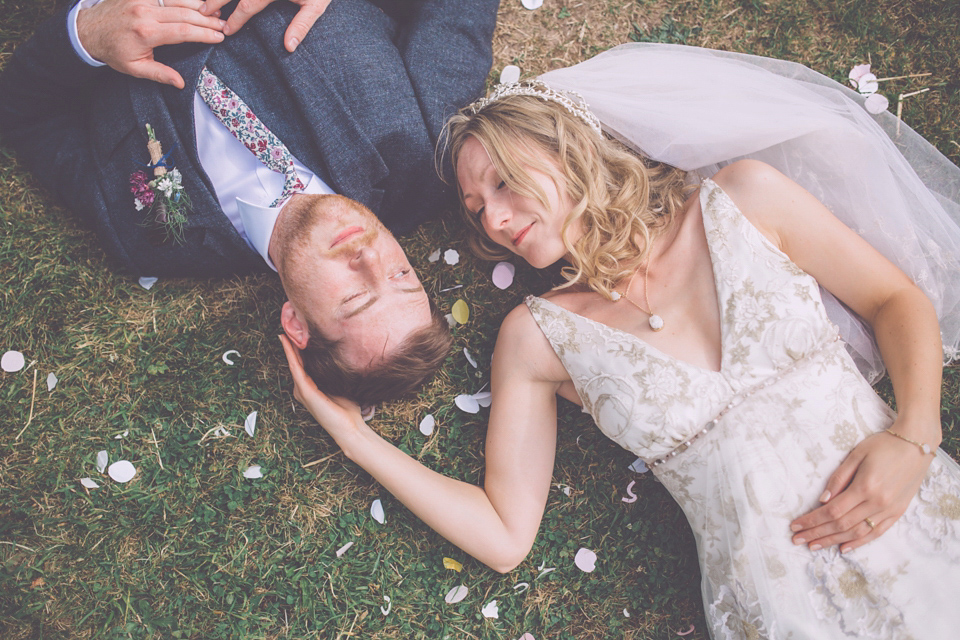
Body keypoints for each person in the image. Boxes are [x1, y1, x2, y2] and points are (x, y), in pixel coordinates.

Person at [281, 44, 960, 637]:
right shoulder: (537, 339)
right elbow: (503, 536)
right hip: (783, 606)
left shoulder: (746, 199)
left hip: (919, 518)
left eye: (503, 182)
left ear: (563, 144)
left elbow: (894, 300)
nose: (494, 215)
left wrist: (914, 434)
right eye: (476, 208)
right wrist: (353, 438)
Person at [0, 0, 499, 403]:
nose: (369, 256)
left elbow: (22, 115)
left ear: (297, 325)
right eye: (401, 276)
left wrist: (85, 33)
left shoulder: (148, 238)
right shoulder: (428, 151)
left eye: (355, 297)